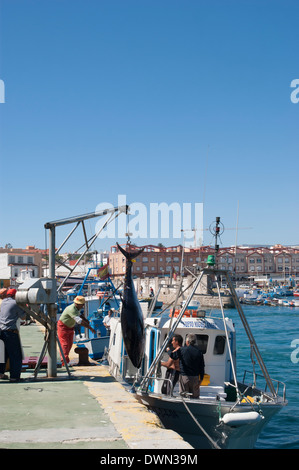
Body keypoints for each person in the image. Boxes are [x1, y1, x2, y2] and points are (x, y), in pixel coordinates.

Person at [57, 296, 95, 366]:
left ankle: (65, 360)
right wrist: (90, 328)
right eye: (82, 304)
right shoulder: (72, 309)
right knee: (64, 344)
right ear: (77, 304)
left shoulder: (77, 308)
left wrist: (85, 319)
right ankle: (64, 361)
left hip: (70, 327)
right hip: (63, 327)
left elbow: (80, 315)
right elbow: (79, 321)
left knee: (70, 344)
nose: (83, 306)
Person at [0, 288, 26, 382]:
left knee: (3, 354)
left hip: (2, 332)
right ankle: (14, 377)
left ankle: (1, 373)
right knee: (15, 355)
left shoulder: (3, 302)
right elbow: (23, 317)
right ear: (16, 296)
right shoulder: (15, 303)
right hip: (11, 332)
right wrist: (25, 307)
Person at [168, 333, 205, 398]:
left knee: (184, 397)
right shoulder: (199, 352)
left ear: (187, 341)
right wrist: (201, 379)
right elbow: (202, 367)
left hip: (184, 377)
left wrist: (168, 350)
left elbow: (173, 356)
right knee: (195, 398)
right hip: (195, 378)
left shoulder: (182, 350)